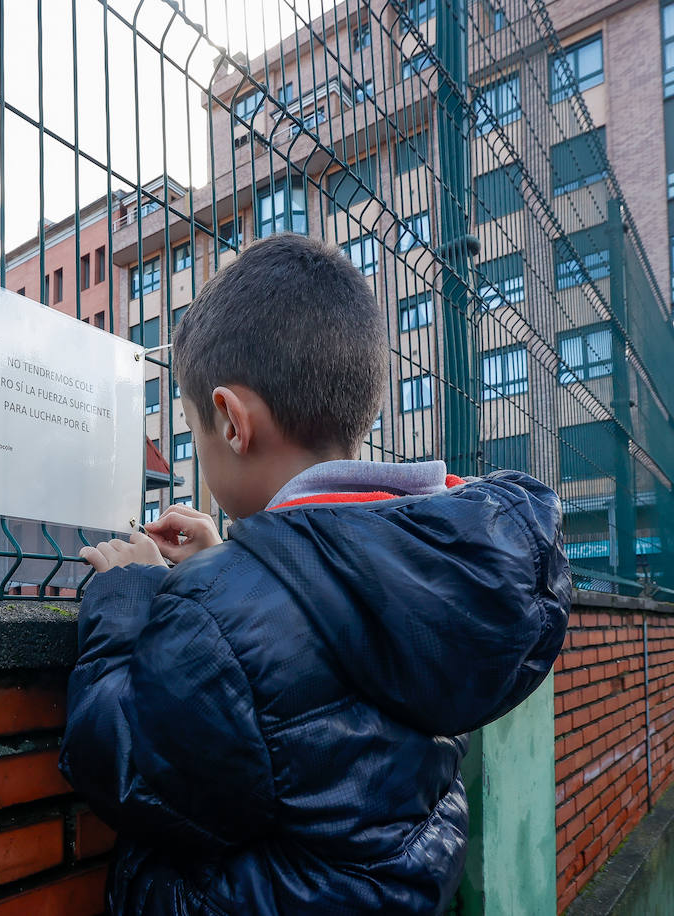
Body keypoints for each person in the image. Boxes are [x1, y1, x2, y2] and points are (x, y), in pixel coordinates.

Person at [58, 233, 570, 915]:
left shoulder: (225, 611)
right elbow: (309, 633)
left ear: (232, 423)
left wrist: (129, 596)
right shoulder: (433, 554)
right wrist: (230, 565)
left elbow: (118, 760)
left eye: (196, 434)